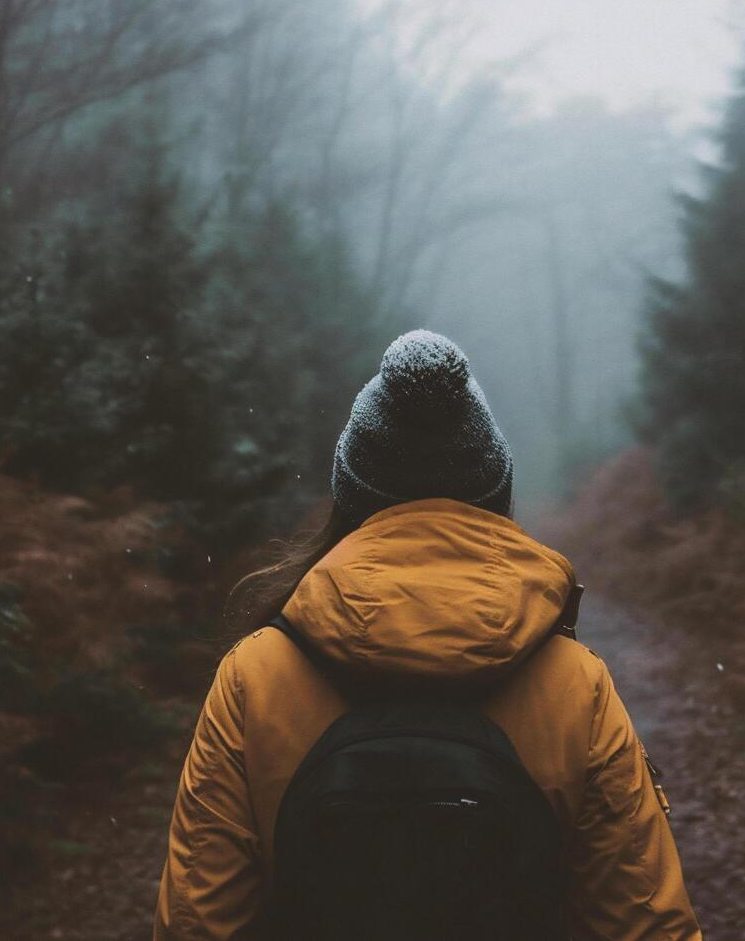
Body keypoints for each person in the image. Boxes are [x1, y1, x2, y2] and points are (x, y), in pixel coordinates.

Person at [154, 329, 701, 940]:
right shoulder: (575, 687)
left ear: (349, 492)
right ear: (496, 490)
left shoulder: (255, 680)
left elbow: (196, 927)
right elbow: (646, 927)